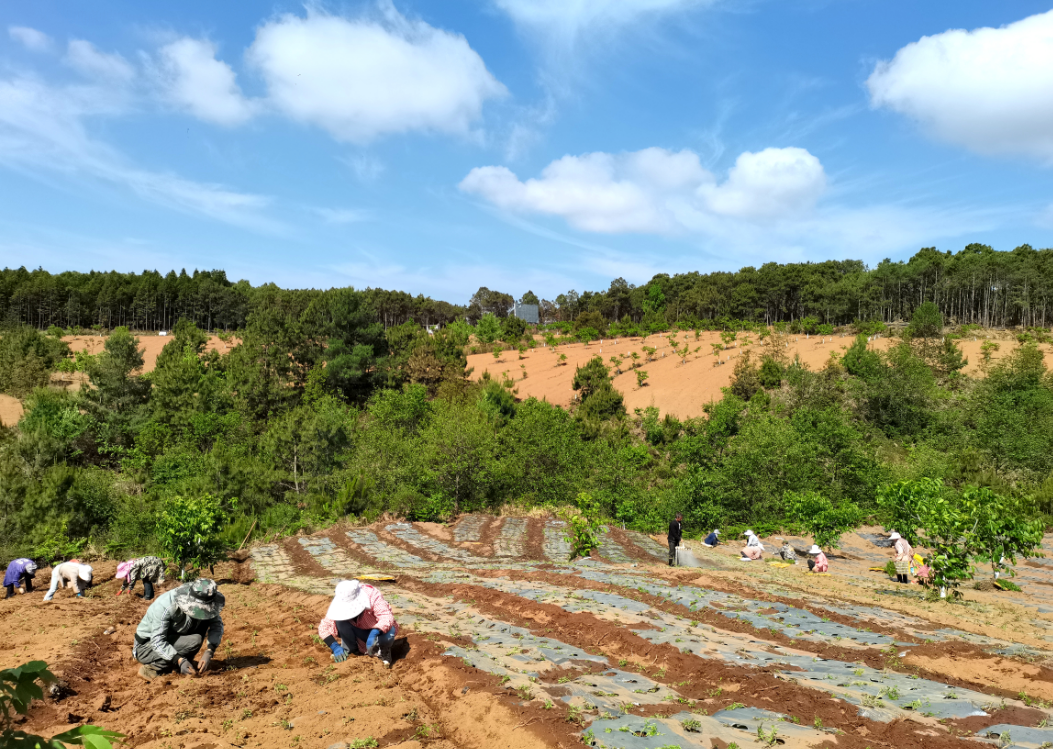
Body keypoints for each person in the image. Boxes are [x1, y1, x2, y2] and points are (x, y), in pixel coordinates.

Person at [134, 579, 225, 681]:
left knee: (201, 625)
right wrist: (179, 660)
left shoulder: (207, 600)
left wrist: (210, 650)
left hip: (173, 638)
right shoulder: (166, 605)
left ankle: (183, 663)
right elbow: (157, 641)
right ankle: (151, 669)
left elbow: (216, 625)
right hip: (147, 646)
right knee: (194, 641)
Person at [319, 580, 398, 669]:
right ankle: (351, 650)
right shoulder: (341, 599)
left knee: (388, 634)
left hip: (375, 631)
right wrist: (334, 646)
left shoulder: (373, 595)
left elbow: (386, 617)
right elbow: (324, 627)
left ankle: (383, 652)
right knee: (340, 622)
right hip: (356, 629)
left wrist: (375, 631)